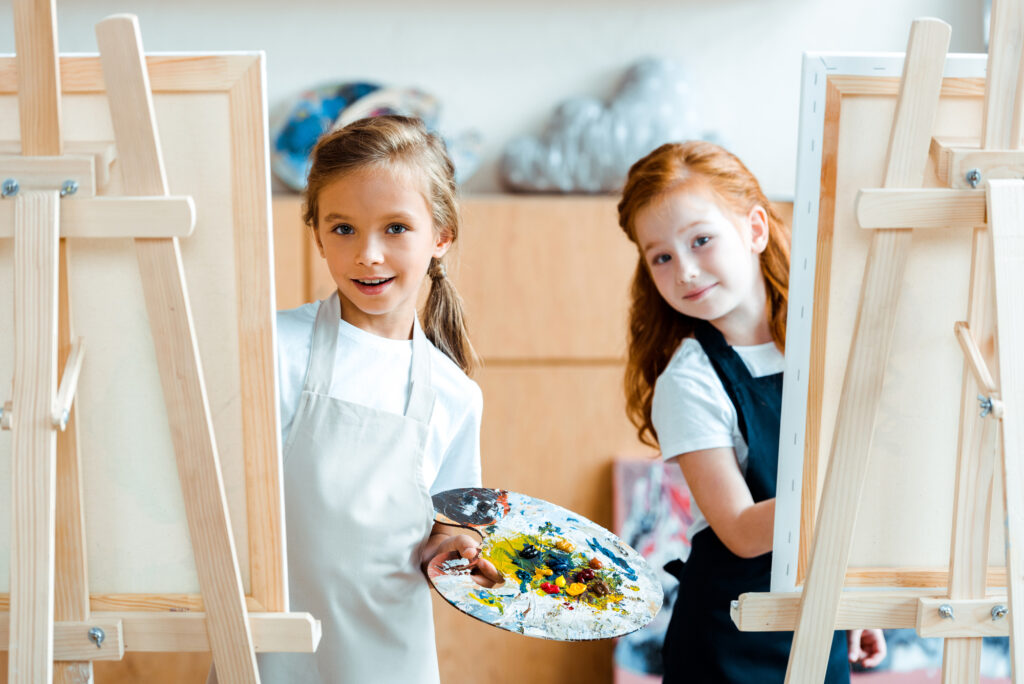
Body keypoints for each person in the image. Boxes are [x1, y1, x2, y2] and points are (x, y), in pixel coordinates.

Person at [616, 140, 886, 682]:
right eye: (662, 256)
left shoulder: (821, 349)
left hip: (816, 623)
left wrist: (851, 591)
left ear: (755, 229)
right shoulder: (688, 380)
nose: (687, 270)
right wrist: (852, 494)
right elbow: (740, 528)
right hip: (725, 645)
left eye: (701, 240)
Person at [256, 115, 500, 683]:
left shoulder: (457, 396)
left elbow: (451, 530)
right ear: (316, 232)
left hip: (389, 660)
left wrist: (457, 552)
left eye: (395, 228)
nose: (368, 253)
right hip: (274, 657)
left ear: (440, 235)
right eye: (343, 228)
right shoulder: (272, 349)